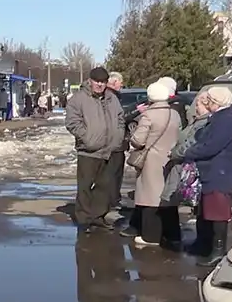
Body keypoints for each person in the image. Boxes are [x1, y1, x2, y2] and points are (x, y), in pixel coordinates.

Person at [179, 87, 232, 266]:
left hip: (219, 170)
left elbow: (212, 145)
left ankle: (218, 250)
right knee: (208, 210)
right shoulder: (220, 118)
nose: (208, 104)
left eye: (210, 101)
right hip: (212, 169)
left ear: (217, 102)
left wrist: (190, 152)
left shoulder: (226, 121)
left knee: (218, 212)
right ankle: (205, 244)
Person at [121, 81, 181, 248]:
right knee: (168, 197)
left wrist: (133, 135)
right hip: (170, 158)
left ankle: (151, 236)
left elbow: (138, 140)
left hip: (152, 161)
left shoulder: (149, 115)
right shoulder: (174, 114)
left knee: (150, 198)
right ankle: (173, 234)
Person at [65, 67, 124, 233]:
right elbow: (72, 122)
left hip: (109, 149)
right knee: (85, 186)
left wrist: (117, 137)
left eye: (103, 82)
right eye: (97, 81)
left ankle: (97, 216)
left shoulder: (112, 98)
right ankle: (84, 219)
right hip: (88, 151)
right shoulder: (79, 99)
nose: (100, 85)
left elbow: (120, 119)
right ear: (90, 80)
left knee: (104, 186)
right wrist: (86, 137)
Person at [106, 71, 127, 213]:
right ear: (114, 82)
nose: (122, 85)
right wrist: (136, 111)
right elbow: (119, 118)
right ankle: (112, 200)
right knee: (114, 173)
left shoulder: (113, 96)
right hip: (114, 142)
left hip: (117, 141)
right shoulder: (111, 97)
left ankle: (113, 198)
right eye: (120, 82)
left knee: (116, 173)